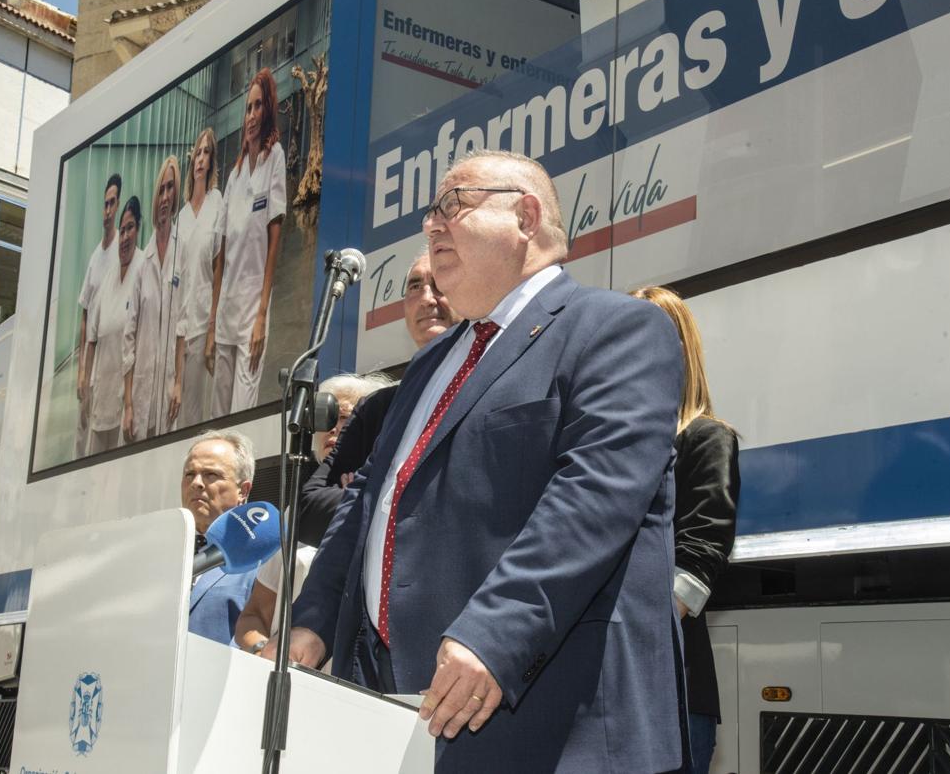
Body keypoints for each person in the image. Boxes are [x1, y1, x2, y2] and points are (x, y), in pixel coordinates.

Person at [274, 150, 689, 773]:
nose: (432, 225)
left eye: (453, 205)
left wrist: (492, 635)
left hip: (543, 718)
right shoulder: (428, 366)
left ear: (526, 216)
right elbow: (369, 500)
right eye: (429, 213)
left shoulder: (618, 330)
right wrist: (313, 619)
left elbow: (594, 496)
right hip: (395, 706)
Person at [632, 285, 740, 774]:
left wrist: (629, 639)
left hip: (673, 691)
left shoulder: (706, 438)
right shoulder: (610, 445)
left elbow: (700, 556)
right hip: (613, 694)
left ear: (682, 349)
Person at [297, 252, 461, 547]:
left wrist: (364, 490)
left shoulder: (493, 384)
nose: (427, 298)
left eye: (438, 284)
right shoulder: (378, 408)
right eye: (415, 286)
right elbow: (308, 514)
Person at [233, 371, 393, 653]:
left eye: (347, 418)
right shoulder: (294, 513)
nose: (333, 428)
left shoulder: (385, 501)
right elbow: (255, 613)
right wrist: (264, 651)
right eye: (327, 417)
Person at [211, 68, 285, 418]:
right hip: (226, 313)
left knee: (242, 415)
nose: (252, 115)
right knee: (218, 416)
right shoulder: (235, 174)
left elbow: (274, 242)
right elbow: (221, 255)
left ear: (268, 110)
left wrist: (261, 317)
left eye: (258, 106)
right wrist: (211, 324)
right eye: (248, 108)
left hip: (252, 312)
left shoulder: (275, 159)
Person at [182, 429, 259, 645]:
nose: (196, 483)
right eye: (190, 474)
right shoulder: (161, 553)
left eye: (211, 475)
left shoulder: (260, 562)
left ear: (243, 491)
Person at [123, 156, 181, 441]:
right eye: (162, 189)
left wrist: (179, 383)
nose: (166, 197)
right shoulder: (140, 264)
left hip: (167, 385)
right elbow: (128, 338)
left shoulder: (180, 253)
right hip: (141, 388)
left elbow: (182, 324)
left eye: (171, 189)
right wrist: (128, 405)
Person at [169, 128, 224, 429]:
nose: (201, 159)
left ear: (212, 160)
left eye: (207, 153)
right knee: (184, 416)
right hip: (183, 330)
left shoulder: (217, 202)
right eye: (198, 153)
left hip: (206, 324)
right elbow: (178, 285)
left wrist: (213, 331)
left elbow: (219, 270)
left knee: (204, 413)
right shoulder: (181, 218)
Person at [83, 197, 145, 453]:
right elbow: (92, 338)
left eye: (131, 228)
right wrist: (86, 386)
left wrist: (130, 404)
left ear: (139, 230)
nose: (125, 237)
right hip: (102, 400)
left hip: (127, 404)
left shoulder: (144, 268)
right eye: (123, 230)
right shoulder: (108, 278)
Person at [75, 173, 121, 457]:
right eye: (105, 203)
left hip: (110, 366)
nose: (107, 209)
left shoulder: (122, 251)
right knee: (82, 435)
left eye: (112, 203)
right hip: (90, 367)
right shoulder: (95, 258)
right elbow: (85, 315)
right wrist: (81, 370)